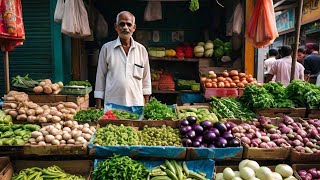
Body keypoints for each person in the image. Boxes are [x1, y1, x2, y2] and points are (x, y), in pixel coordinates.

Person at [94, 11, 152, 108]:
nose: (125, 27)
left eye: (129, 24)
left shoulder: (141, 50)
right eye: (122, 24)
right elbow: (100, 77)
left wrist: (146, 106)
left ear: (134, 28)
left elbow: (146, 80)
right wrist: (98, 106)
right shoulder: (107, 48)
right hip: (112, 105)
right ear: (116, 27)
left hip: (136, 105)